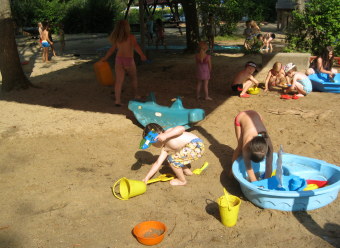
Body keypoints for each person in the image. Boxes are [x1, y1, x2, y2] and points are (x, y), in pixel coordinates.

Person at [100, 20, 147, 107]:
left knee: (118, 81)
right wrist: (142, 55)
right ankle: (136, 95)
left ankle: (117, 100)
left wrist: (105, 58)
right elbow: (136, 47)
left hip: (119, 60)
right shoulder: (131, 37)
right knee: (133, 79)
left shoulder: (117, 38)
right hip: (129, 60)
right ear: (127, 27)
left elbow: (111, 50)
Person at [231, 110, 273, 182]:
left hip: (257, 115)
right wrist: (255, 182)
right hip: (241, 117)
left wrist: (267, 180)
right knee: (240, 147)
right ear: (250, 148)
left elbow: (269, 164)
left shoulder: (268, 143)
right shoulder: (246, 143)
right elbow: (248, 166)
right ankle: (232, 170)